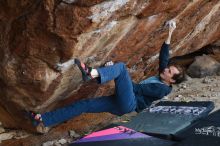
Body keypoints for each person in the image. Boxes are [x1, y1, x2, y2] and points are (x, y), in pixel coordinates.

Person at [31, 20, 185, 132]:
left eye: (170, 72)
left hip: (129, 104)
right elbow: (164, 57)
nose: (166, 70)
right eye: (168, 69)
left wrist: (117, 75)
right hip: (119, 104)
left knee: (122, 68)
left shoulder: (162, 90)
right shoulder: (163, 75)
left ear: (171, 80)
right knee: (85, 105)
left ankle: (91, 73)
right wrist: (170, 32)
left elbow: (136, 88)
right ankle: (44, 119)